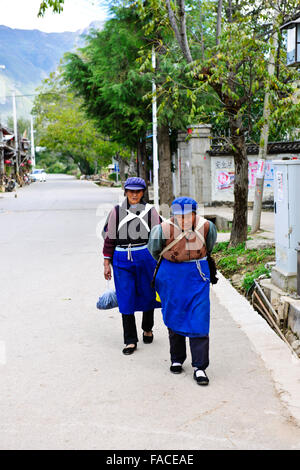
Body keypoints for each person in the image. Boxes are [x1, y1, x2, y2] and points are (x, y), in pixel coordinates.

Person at [147, 197, 217, 385]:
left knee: (199, 318)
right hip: (171, 277)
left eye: (188, 216)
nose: (183, 220)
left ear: (195, 214)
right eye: (179, 216)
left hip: (197, 275)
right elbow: (154, 250)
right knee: (174, 315)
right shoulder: (161, 229)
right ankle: (177, 359)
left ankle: (200, 367)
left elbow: (209, 247)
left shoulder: (208, 227)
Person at [103, 177, 161, 355]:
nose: (134, 194)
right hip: (121, 257)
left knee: (148, 293)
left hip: (146, 255)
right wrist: (106, 262)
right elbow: (109, 238)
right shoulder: (116, 212)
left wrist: (161, 260)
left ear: (143, 193)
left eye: (137, 191)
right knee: (125, 297)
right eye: (130, 191)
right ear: (125, 192)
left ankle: (147, 328)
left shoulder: (151, 211)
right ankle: (130, 340)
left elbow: (158, 236)